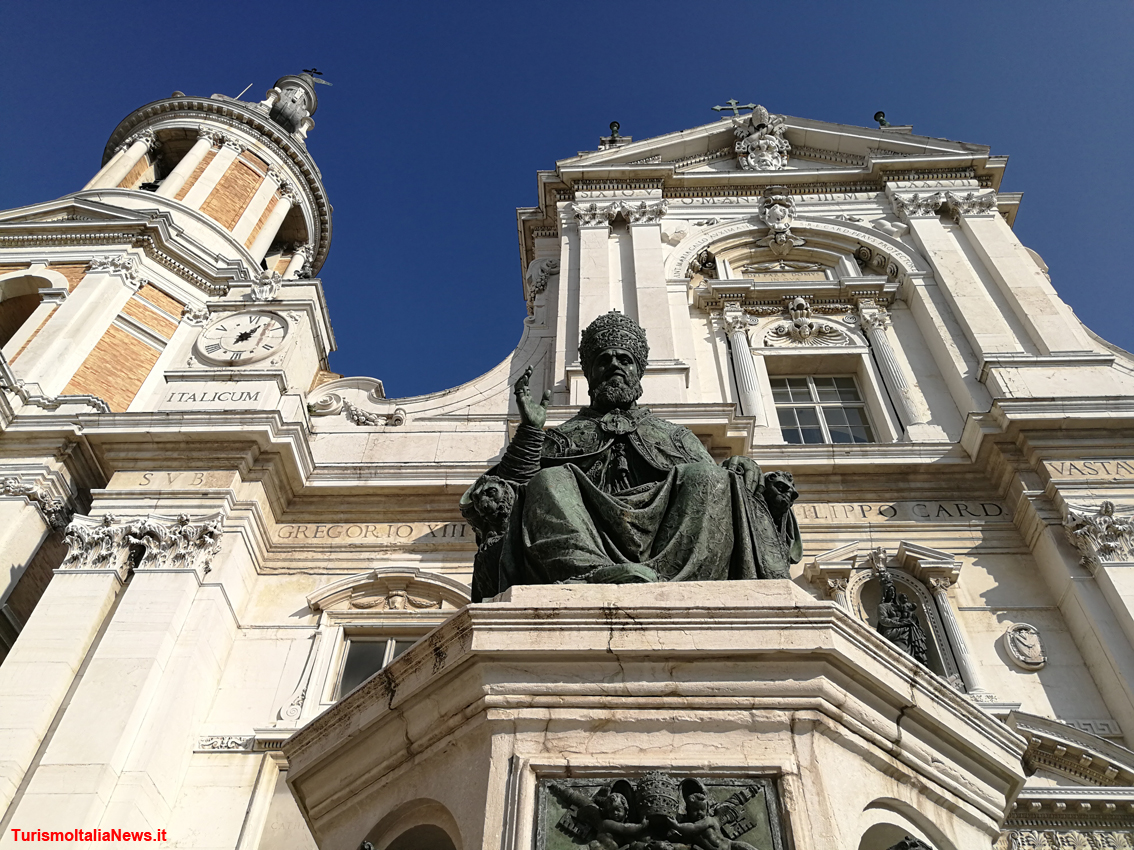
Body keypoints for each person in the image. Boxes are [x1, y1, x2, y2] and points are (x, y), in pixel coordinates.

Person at [462, 311, 801, 602]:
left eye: (624, 360)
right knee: (549, 480)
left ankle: (686, 579)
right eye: (603, 360)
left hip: (670, 532)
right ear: (591, 374)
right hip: (586, 529)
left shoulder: (674, 435)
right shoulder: (564, 434)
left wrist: (740, 471)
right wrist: (531, 433)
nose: (614, 366)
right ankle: (592, 572)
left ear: (638, 372)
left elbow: (718, 492)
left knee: (710, 478)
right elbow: (503, 491)